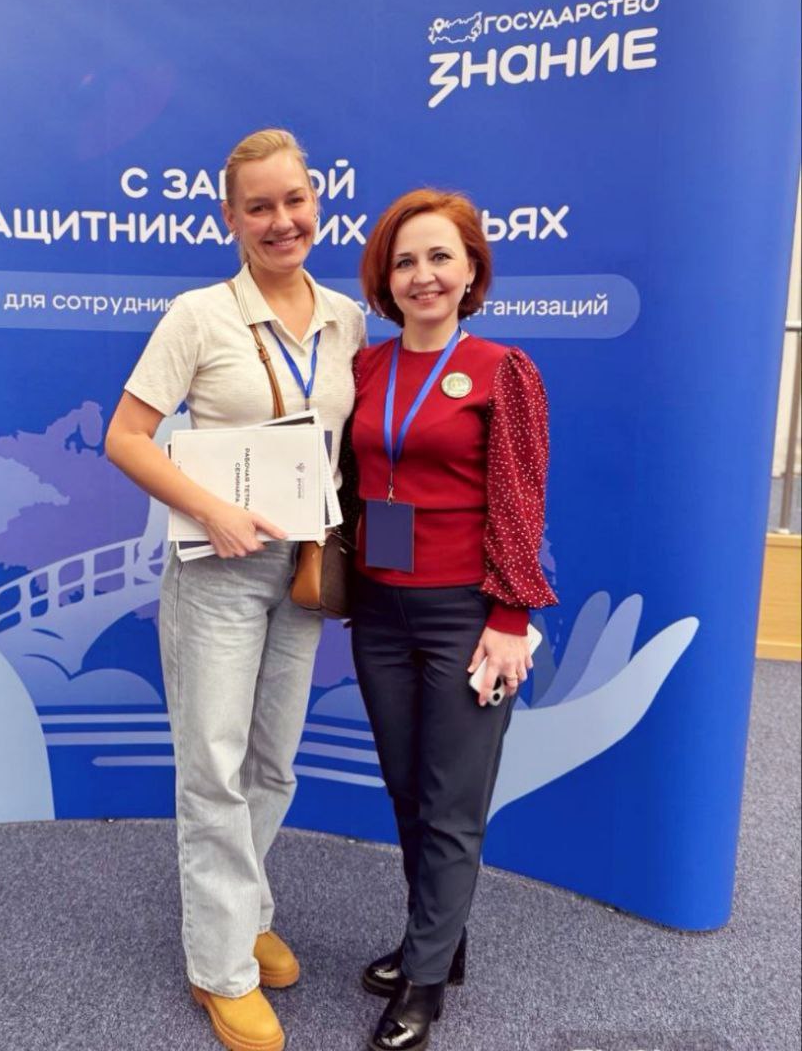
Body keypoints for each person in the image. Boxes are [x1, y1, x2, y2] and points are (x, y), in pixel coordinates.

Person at [104, 128, 366, 1051]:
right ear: (231, 218)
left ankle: (243, 912)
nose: (280, 220)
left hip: (303, 570)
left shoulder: (345, 318)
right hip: (216, 570)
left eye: (293, 201)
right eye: (259, 207)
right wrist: (211, 510)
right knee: (214, 769)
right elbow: (125, 437)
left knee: (273, 763)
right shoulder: (198, 316)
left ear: (315, 202)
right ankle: (218, 967)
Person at [349, 188, 557, 1051]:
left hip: (465, 616)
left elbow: (520, 500)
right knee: (406, 789)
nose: (422, 274)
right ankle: (437, 938)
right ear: (384, 279)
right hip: (376, 611)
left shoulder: (502, 369)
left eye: (440, 256)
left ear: (471, 270)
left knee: (451, 801)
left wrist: (509, 615)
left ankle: (425, 982)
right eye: (404, 261)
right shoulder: (364, 369)